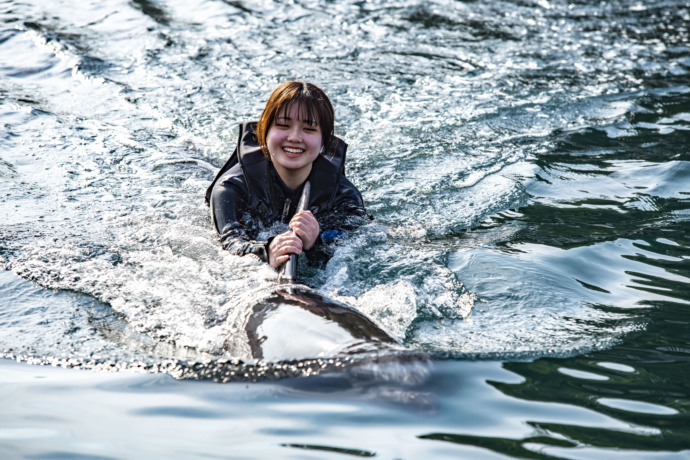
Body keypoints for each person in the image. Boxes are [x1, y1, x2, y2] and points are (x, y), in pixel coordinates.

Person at [205, 81, 369, 270]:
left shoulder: (344, 198)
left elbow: (351, 251)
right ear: (264, 132)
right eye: (283, 125)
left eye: (309, 129)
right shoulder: (230, 188)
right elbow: (230, 243)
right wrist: (266, 253)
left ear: (324, 141)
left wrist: (317, 243)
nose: (294, 137)